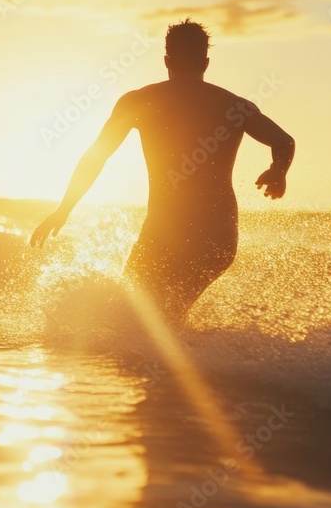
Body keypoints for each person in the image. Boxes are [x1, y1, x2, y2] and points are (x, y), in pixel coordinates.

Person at [30, 18, 295, 322]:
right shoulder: (235, 106)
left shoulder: (140, 101)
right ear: (206, 63)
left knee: (132, 317)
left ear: (167, 59)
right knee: (164, 318)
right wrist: (278, 171)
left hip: (166, 229)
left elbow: (96, 157)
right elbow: (284, 141)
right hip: (218, 236)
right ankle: (214, 364)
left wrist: (64, 208)